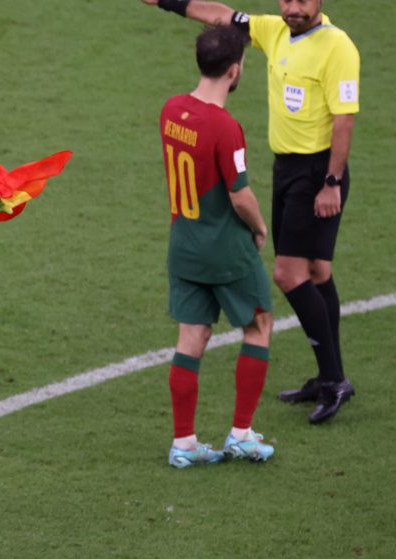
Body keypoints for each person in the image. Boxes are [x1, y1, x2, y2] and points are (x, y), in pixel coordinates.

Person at [144, 0, 361, 424]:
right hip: (287, 168)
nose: (292, 7)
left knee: (288, 274)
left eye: (301, 1)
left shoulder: (338, 47)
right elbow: (220, 17)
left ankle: (334, 380)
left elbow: (344, 120)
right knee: (317, 271)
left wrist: (331, 182)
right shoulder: (274, 29)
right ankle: (329, 376)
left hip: (317, 173)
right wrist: (168, 2)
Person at [158, 25, 275, 468]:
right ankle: (242, 434)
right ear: (234, 69)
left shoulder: (171, 110)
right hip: (225, 249)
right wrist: (260, 228)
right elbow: (239, 194)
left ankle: (184, 444)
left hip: (183, 245)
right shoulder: (226, 128)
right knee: (259, 324)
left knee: (191, 337)